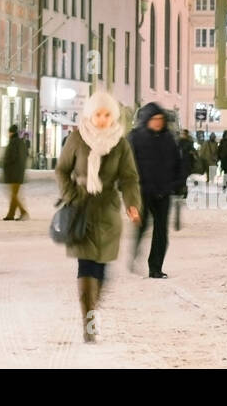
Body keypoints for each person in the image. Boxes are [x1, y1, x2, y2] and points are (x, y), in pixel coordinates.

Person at [56, 91, 142, 343]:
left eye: (107, 115)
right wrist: (72, 194)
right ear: (89, 115)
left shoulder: (120, 143)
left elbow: (129, 178)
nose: (102, 120)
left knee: (101, 269)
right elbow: (62, 171)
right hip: (81, 210)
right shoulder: (76, 138)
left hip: (107, 211)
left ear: (113, 116)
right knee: (86, 267)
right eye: (98, 114)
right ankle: (89, 322)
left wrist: (132, 203)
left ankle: (92, 311)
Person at [127, 102, 180, 278]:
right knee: (141, 226)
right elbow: (126, 165)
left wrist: (179, 183)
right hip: (143, 190)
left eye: (161, 119)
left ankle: (155, 268)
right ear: (146, 120)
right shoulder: (135, 138)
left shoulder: (168, 139)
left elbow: (177, 163)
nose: (158, 122)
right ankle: (135, 254)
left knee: (161, 231)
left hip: (163, 191)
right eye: (154, 119)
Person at [1, 124, 29, 220]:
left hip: (13, 172)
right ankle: (11, 214)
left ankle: (23, 212)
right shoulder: (21, 143)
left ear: (11, 132)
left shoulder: (13, 142)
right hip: (19, 172)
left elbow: (11, 157)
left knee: (14, 195)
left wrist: (5, 163)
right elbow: (25, 155)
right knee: (14, 195)